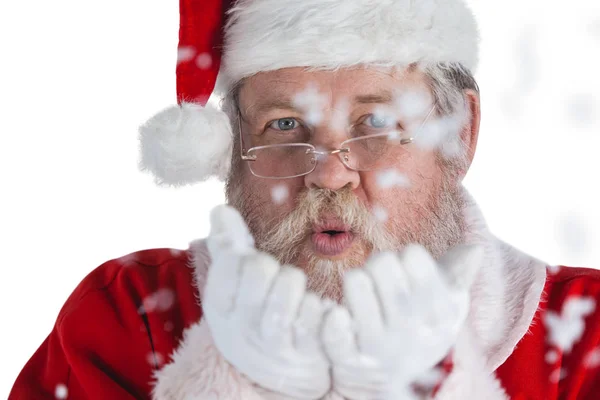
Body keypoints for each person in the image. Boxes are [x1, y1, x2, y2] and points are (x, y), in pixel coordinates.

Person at [10, 0, 600, 399]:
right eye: (286, 125)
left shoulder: (582, 338)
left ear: (460, 134)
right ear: (234, 142)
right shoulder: (127, 318)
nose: (329, 175)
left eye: (375, 121)